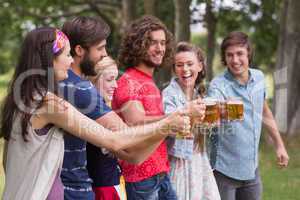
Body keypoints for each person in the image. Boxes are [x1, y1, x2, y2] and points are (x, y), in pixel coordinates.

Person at [0, 27, 190, 200]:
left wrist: (166, 127)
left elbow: (7, 162)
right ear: (50, 59)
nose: (71, 60)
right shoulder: (50, 103)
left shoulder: (19, 101)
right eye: (66, 55)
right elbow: (113, 140)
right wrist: (167, 124)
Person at [59, 16, 198, 200]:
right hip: (113, 183)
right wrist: (171, 121)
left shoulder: (62, 84)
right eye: (100, 48)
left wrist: (172, 123)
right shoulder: (85, 89)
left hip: (148, 172)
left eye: (163, 43)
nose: (104, 54)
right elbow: (132, 139)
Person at [113, 15, 205, 200]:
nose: (160, 48)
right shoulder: (129, 80)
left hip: (160, 173)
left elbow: (160, 126)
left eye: (163, 43)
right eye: (153, 43)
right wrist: (182, 113)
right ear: (138, 45)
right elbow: (135, 122)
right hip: (140, 179)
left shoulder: (149, 81)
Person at [207, 31, 289, 200]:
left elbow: (265, 112)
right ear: (224, 57)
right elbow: (212, 111)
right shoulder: (218, 85)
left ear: (248, 53)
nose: (235, 60)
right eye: (229, 55)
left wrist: (279, 145)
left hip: (251, 170)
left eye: (239, 54)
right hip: (224, 171)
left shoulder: (258, 77)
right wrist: (222, 109)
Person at [162, 42, 221, 200]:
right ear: (174, 69)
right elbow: (171, 127)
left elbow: (201, 127)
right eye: (179, 65)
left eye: (190, 64)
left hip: (198, 160)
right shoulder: (169, 94)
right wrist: (194, 116)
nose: (185, 69)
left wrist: (213, 120)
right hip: (179, 162)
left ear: (200, 66)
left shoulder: (199, 93)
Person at [86, 56, 126, 200]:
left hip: (111, 181)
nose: (115, 85)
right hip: (105, 187)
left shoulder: (102, 107)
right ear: (93, 79)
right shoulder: (95, 112)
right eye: (110, 79)